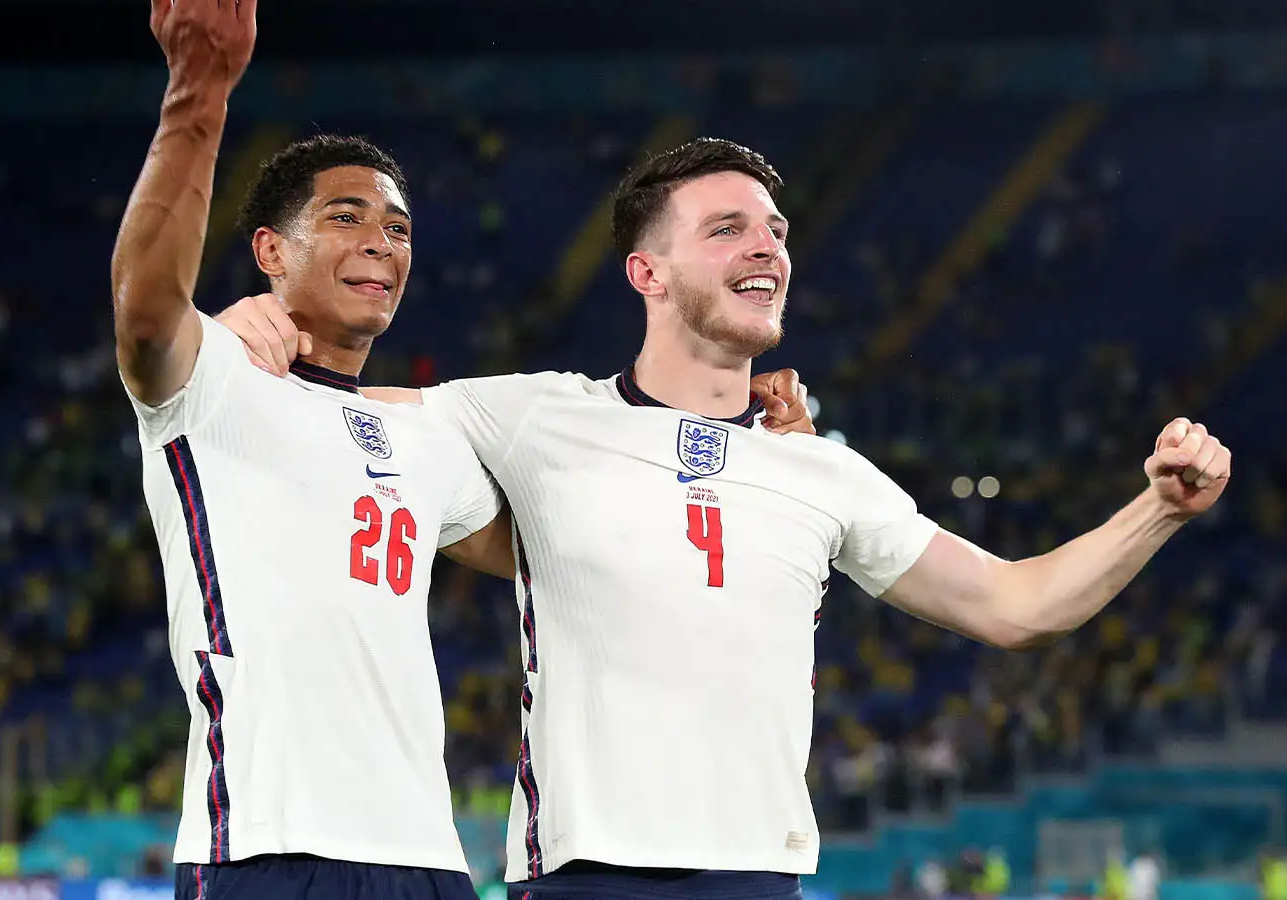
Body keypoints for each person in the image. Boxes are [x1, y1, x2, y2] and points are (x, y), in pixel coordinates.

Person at [220, 138, 1231, 900]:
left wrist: (1158, 510)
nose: (767, 247)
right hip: (581, 875)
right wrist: (239, 335)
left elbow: (1017, 604)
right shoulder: (536, 414)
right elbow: (335, 412)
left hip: (758, 877)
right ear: (646, 273)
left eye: (776, 232)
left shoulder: (821, 473)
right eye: (727, 229)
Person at [112, 1, 525, 898]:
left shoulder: (426, 442)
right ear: (270, 249)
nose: (382, 240)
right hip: (266, 846)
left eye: (400, 227)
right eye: (347, 217)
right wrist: (199, 93)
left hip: (428, 862)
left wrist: (749, 450)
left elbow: (559, 552)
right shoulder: (218, 377)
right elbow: (146, 313)